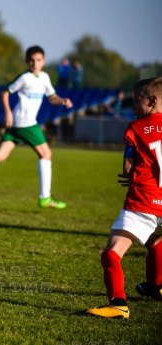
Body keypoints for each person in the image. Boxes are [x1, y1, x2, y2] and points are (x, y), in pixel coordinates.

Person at [0, 45, 72, 209]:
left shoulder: (44, 77)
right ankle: (45, 197)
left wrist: (62, 101)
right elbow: (4, 92)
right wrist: (8, 113)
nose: (35, 63)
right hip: (25, 122)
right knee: (46, 153)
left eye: (38, 60)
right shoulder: (25, 78)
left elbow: (51, 97)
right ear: (27, 62)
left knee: (0, 156)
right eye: (31, 60)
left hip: (19, 123)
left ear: (43, 61)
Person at [85, 77, 162, 319]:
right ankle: (156, 285)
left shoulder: (136, 128)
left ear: (152, 100)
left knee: (111, 252)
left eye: (136, 100)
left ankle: (118, 303)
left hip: (143, 201)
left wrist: (129, 175)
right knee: (155, 240)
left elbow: (128, 168)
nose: (132, 106)